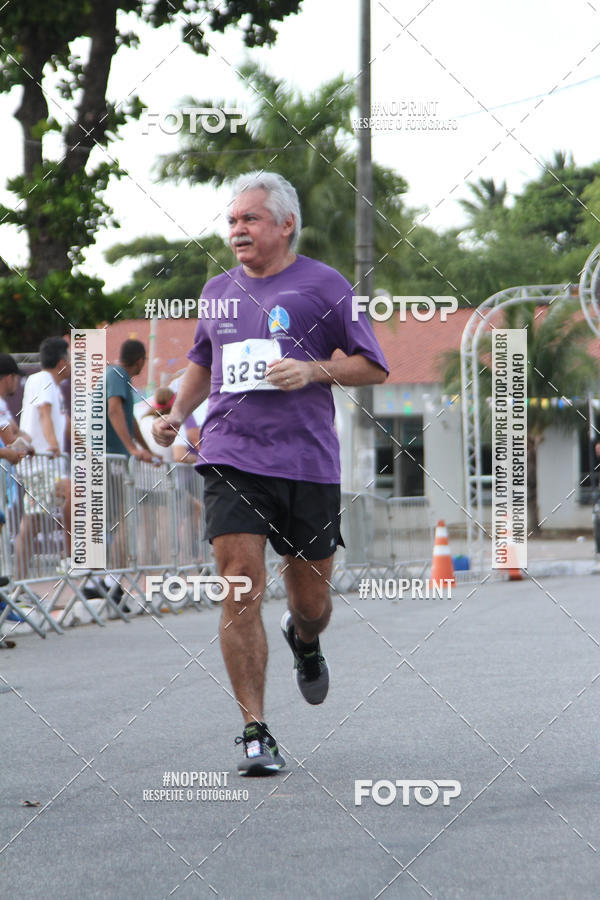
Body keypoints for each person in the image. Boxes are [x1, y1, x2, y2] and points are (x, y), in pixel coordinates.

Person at [153, 171, 388, 775]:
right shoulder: (216, 292)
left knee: (312, 600)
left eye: (250, 219)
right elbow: (201, 364)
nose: (237, 230)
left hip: (307, 463)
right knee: (239, 584)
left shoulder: (326, 285)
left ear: (285, 225)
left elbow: (373, 367)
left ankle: (305, 641)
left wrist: (312, 371)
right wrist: (177, 414)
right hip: (231, 454)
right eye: (232, 220)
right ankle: (254, 730)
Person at [14, 338, 71, 578]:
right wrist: (54, 445)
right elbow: (44, 413)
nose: (72, 364)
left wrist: (86, 445)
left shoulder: (50, 384)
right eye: (70, 359)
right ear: (61, 362)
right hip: (42, 463)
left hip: (43, 463)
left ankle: (20, 582)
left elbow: (63, 422)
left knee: (32, 523)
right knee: (77, 494)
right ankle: (74, 560)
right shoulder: (43, 379)